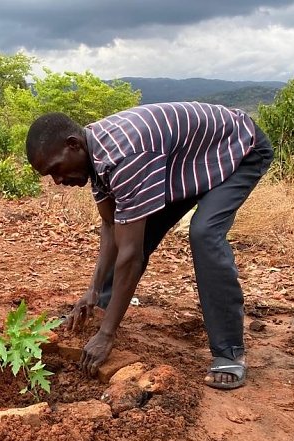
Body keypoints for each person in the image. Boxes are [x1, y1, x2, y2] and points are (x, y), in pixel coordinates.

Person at [26, 102, 273, 390]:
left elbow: (130, 256)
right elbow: (111, 226)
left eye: (56, 169)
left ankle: (229, 352)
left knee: (204, 233)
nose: (57, 181)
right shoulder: (94, 156)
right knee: (132, 234)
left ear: (73, 145)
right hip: (187, 162)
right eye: (49, 176)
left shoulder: (125, 157)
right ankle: (102, 308)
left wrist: (108, 335)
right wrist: (92, 290)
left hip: (237, 149)